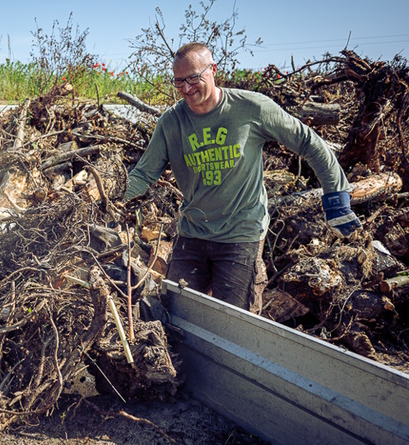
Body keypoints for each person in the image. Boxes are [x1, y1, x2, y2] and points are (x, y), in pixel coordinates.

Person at [124, 42, 361, 312]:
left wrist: (336, 195)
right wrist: (110, 202)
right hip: (193, 233)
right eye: (179, 82)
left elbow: (307, 141)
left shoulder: (250, 109)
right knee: (177, 312)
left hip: (241, 234)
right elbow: (144, 173)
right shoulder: (171, 122)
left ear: (212, 70)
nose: (186, 89)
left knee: (235, 323)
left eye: (193, 79)